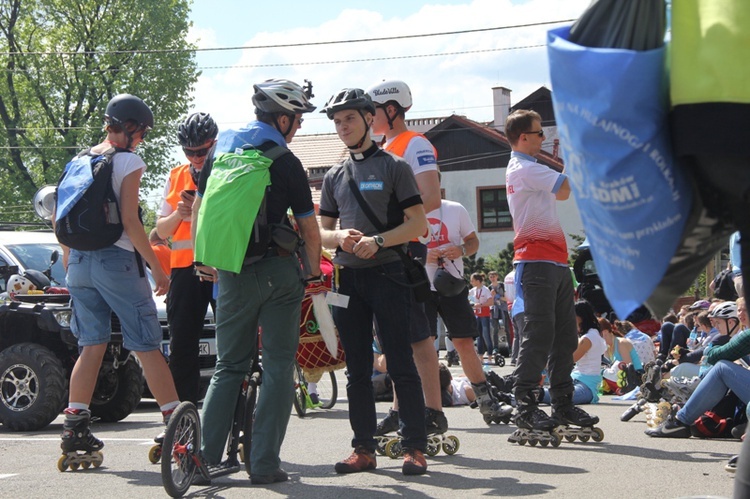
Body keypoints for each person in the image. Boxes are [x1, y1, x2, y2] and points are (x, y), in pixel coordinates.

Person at [193, 79, 321, 485]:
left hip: (229, 270)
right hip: (278, 273)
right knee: (280, 366)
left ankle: (203, 460)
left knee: (227, 366)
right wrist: (315, 273)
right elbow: (310, 229)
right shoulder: (284, 160)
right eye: (297, 121)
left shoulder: (221, 148)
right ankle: (263, 463)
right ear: (282, 118)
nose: (297, 128)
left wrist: (203, 258)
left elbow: (199, 207)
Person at [56, 94, 179, 460]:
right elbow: (130, 221)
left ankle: (74, 429)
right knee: (145, 343)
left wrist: (70, 264)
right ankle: (175, 423)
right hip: (117, 262)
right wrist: (157, 267)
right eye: (140, 133)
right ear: (128, 128)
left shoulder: (78, 159)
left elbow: (58, 218)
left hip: (78, 262)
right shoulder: (127, 161)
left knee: (90, 345)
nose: (140, 140)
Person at [318, 88, 428, 475]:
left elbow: (419, 223)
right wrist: (338, 238)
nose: (343, 127)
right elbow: (321, 231)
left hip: (389, 275)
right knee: (357, 370)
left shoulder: (395, 166)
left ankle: (415, 446)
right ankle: (363, 449)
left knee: (400, 362)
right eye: (337, 122)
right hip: (347, 280)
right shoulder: (334, 175)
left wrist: (378, 240)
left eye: (349, 119)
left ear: (368, 118)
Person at [504, 109, 598, 432]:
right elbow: (565, 188)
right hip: (536, 260)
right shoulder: (523, 168)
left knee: (565, 336)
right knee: (540, 334)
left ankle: (562, 403)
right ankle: (526, 405)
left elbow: (561, 190)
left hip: (554, 261)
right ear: (523, 137)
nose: (544, 138)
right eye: (539, 132)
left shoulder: (531, 167)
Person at [367, 79, 445, 439]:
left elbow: (430, 198)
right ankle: (401, 409)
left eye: (373, 111)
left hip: (407, 247)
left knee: (417, 335)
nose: (368, 118)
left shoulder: (416, 143)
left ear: (393, 109)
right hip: (384, 249)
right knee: (395, 337)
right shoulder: (383, 146)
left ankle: (432, 410)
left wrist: (384, 223)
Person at [423, 198, 512, 421]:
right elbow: (398, 247)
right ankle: (428, 408)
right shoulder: (409, 210)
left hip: (452, 285)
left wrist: (461, 249)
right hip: (419, 286)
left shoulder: (454, 208)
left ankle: (486, 402)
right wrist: (422, 254)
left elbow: (473, 242)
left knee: (465, 343)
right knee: (424, 346)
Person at [156, 112, 218, 405]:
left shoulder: (226, 169)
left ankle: (234, 414)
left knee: (233, 343)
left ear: (213, 144)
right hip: (184, 270)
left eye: (201, 151)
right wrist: (180, 213)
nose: (195, 157)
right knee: (182, 346)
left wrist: (202, 208)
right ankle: (182, 414)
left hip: (220, 266)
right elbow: (160, 229)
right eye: (189, 152)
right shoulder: (176, 175)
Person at [541, 300, 607, 405]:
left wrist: (544, 364)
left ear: (581, 316)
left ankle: (529, 394)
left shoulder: (588, 338)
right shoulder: (592, 334)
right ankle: (521, 393)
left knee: (559, 396)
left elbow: (568, 361)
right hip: (576, 379)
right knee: (554, 391)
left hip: (586, 386)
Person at [469, 272, 494, 363]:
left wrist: (481, 305)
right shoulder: (473, 290)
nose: (471, 282)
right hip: (477, 315)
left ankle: (490, 356)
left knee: (486, 334)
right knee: (478, 336)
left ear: (478, 281)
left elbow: (491, 302)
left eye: (473, 281)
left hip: (485, 314)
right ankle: (481, 357)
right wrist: (472, 304)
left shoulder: (485, 289)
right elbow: (467, 297)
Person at [488, 270, 510, 357]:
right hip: (494, 309)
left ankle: (509, 346)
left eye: (494, 276)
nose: (492, 278)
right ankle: (496, 347)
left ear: (497, 276)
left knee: (506, 328)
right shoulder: (489, 288)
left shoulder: (502, 285)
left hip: (503, 309)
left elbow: (506, 298)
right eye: (490, 277)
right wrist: (492, 296)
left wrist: (497, 295)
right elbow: (489, 300)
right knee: (495, 329)